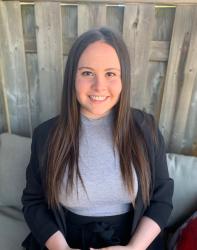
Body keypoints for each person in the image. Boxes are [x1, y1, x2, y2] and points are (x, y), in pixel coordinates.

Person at [21, 27, 174, 250]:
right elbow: (33, 202)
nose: (99, 86)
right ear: (72, 77)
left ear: (123, 79)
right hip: (64, 240)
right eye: (87, 73)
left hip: (133, 240)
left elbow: (162, 198)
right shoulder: (46, 135)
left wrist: (134, 248)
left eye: (110, 73)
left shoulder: (146, 129)